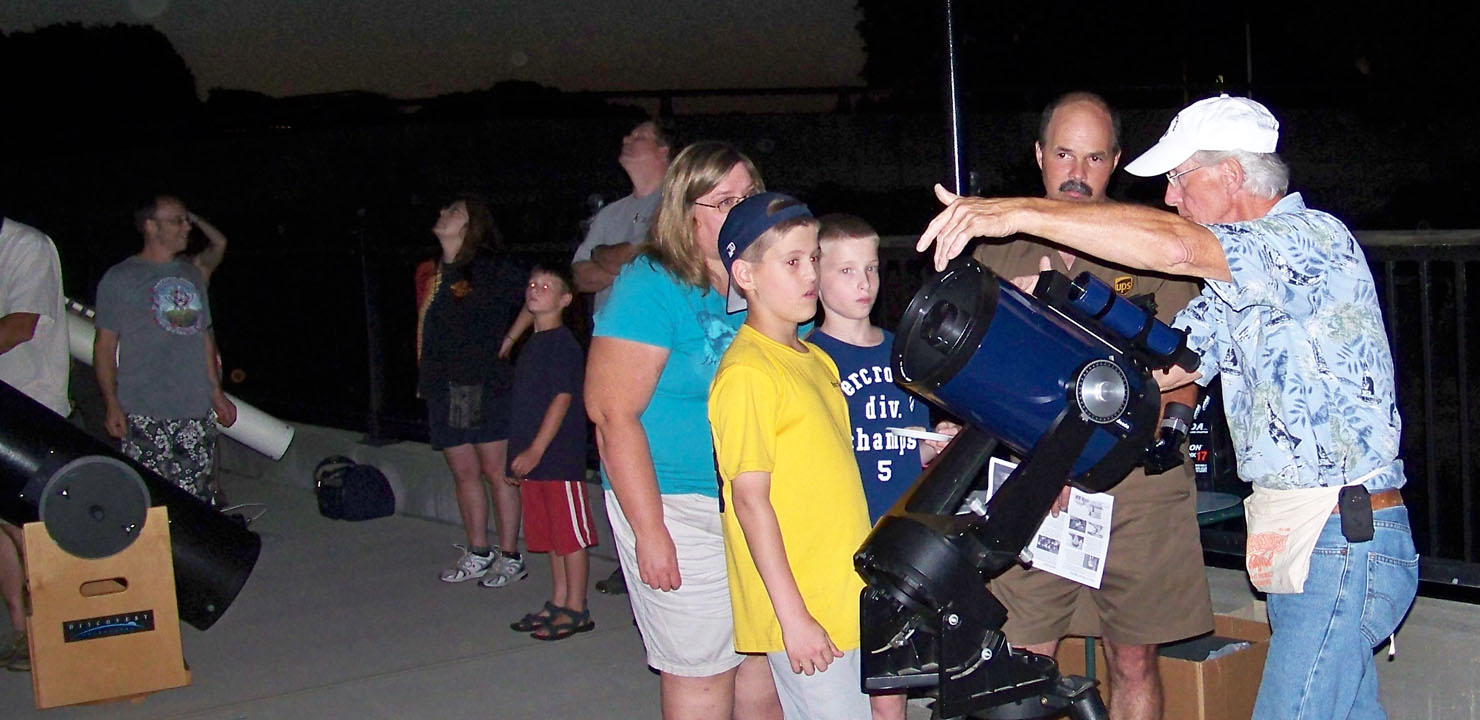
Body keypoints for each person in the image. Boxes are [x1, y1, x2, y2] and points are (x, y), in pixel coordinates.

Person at [918, 94, 1417, 720]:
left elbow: (1178, 249)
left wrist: (1012, 211)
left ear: (1230, 176)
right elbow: (1151, 365)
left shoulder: (1306, 242)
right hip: (1302, 548)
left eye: (1179, 180)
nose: (1172, 199)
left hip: (1344, 543)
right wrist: (1037, 309)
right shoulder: (1235, 294)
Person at [970, 92, 1212, 720]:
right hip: (1035, 483)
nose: (1077, 172)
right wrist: (1038, 466)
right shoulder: (995, 252)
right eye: (1064, 153)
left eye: (1095, 156)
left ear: (1116, 162)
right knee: (1024, 652)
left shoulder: (1148, 243)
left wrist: (1157, 437)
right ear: (1039, 156)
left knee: (1132, 660)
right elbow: (979, 381)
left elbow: (1186, 371)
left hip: (1135, 482)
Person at [586, 141, 782, 720]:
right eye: (723, 201)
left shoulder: (764, 277)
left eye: (749, 196)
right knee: (700, 669)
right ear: (686, 210)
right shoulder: (653, 282)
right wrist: (650, 532)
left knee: (762, 659)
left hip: (756, 499)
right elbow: (610, 414)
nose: (741, 209)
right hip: (677, 501)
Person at [707, 192, 873, 719]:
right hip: (803, 610)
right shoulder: (749, 373)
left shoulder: (816, 358)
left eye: (814, 259)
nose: (810, 275)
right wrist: (793, 618)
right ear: (746, 274)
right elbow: (750, 501)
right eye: (792, 261)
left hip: (843, 597)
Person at [414, 193, 527, 588]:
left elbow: (539, 290)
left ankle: (511, 556)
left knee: (498, 473)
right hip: (445, 388)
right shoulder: (430, 272)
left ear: (470, 225)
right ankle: (479, 550)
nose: (443, 213)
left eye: (454, 211)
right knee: (463, 473)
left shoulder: (488, 268)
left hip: (484, 384)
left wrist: (511, 338)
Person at [94, 195, 238, 504]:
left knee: (196, 499)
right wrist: (111, 402)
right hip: (143, 410)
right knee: (149, 499)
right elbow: (105, 346)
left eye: (187, 220)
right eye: (177, 221)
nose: (186, 227)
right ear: (151, 227)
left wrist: (216, 393)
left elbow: (203, 338)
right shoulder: (119, 278)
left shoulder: (192, 275)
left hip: (193, 409)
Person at [809, 213, 938, 527]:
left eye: (871, 268)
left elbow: (908, 454)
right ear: (814, 277)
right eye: (846, 270)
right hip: (842, 526)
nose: (864, 282)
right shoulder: (809, 358)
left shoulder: (903, 353)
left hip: (903, 524)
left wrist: (933, 447)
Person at [504, 265, 597, 640]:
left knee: (570, 537)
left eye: (546, 286)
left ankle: (577, 607)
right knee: (552, 536)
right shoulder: (534, 344)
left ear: (564, 299)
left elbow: (562, 399)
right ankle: (558, 600)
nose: (535, 290)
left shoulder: (562, 344)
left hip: (557, 458)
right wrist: (517, 455)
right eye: (531, 284)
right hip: (533, 460)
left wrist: (537, 450)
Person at [0, 216, 70, 672]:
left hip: (30, 407)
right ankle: (23, 633)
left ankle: (58, 627)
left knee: (29, 527)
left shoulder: (26, 245)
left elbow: (20, 325)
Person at [571, 118, 675, 313]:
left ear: (663, 150)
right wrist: (634, 268)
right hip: (608, 334)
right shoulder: (610, 213)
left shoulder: (675, 205)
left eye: (639, 137)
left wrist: (599, 254)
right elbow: (579, 276)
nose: (627, 139)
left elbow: (642, 257)